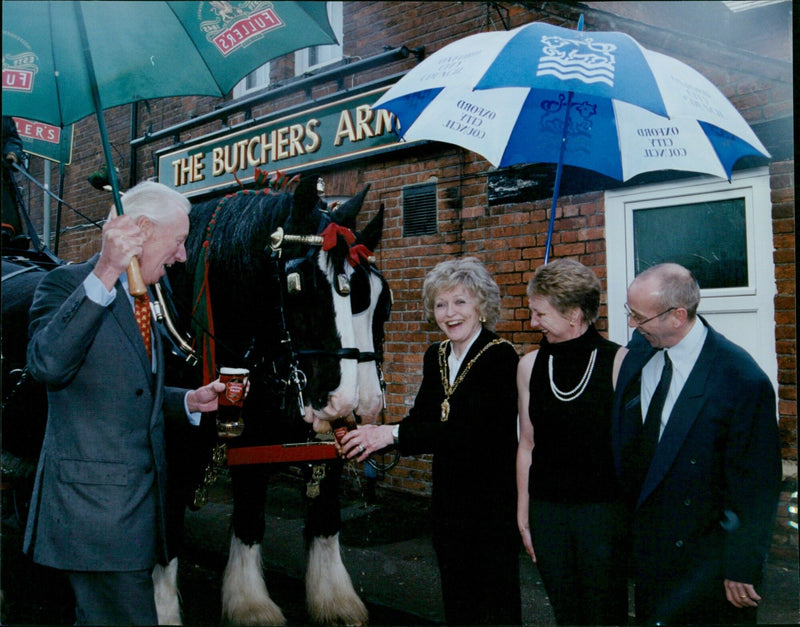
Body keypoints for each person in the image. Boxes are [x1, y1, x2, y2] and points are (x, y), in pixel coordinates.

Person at [23, 181, 227, 625]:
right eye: (177, 242)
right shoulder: (67, 285)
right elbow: (47, 364)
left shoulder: (146, 296)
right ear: (142, 230)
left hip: (135, 516)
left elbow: (133, 393)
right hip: (94, 518)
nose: (182, 256)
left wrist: (189, 400)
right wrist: (105, 272)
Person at [340, 257, 522, 625]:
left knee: (494, 599)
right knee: (457, 596)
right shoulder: (435, 355)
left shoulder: (500, 356)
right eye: (440, 304)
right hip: (447, 499)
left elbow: (467, 430)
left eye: (460, 302)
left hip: (491, 502)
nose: (449, 313)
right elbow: (423, 420)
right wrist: (375, 433)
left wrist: (387, 434)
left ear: (482, 307)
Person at [612, 262, 782, 625]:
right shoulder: (640, 352)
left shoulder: (741, 379)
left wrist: (742, 566)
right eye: (631, 313)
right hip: (651, 550)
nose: (632, 325)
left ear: (677, 316)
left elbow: (757, 485)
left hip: (706, 563)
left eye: (638, 317)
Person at [516, 258, 629, 625]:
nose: (533, 323)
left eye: (540, 314)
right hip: (548, 512)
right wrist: (524, 511)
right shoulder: (530, 366)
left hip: (602, 515)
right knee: (566, 613)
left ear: (575, 315)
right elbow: (528, 444)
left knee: (604, 613)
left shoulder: (619, 362)